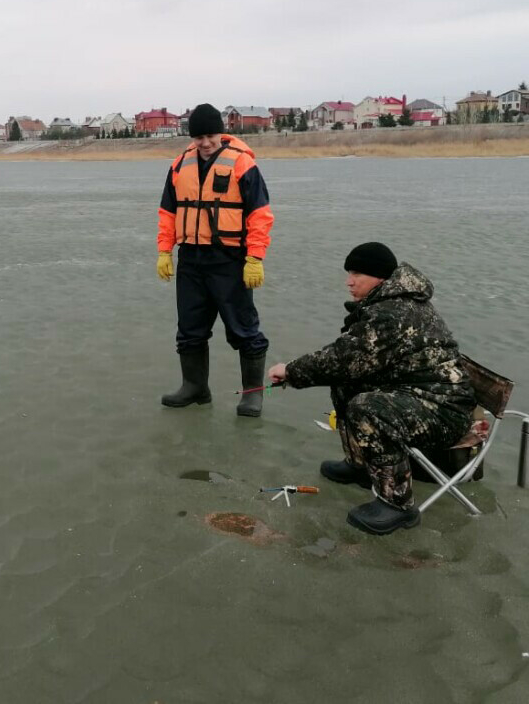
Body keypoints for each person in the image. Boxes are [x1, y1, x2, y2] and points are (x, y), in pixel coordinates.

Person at [267, 243, 475, 534]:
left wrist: (290, 371)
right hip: (422, 396)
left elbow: (345, 358)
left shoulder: (394, 312)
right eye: (349, 273)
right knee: (348, 383)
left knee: (368, 408)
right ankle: (362, 466)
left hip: (445, 413)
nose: (349, 281)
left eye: (357, 274)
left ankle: (398, 504)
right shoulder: (389, 303)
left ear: (379, 277)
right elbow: (350, 361)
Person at [157, 103, 274, 416]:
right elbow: (168, 212)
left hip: (229, 258)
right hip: (191, 260)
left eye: (210, 135)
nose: (205, 143)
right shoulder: (180, 165)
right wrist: (164, 251)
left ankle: (252, 394)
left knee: (243, 329)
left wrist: (255, 258)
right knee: (190, 329)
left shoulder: (242, 164)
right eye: (198, 137)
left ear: (222, 133)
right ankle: (195, 387)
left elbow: (260, 215)